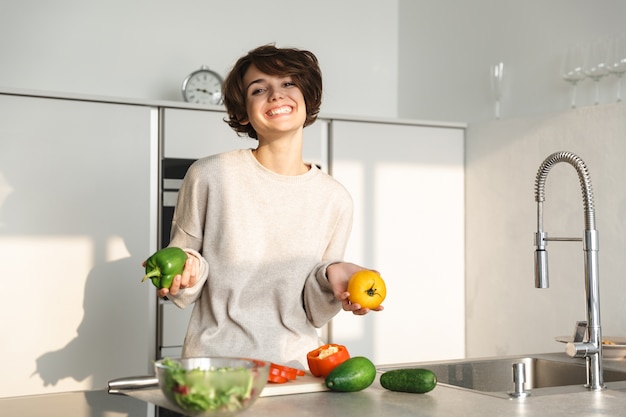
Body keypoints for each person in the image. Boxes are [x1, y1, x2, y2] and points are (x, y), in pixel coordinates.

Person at [157, 44, 383, 368]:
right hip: (216, 366)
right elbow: (184, 266)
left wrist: (333, 274)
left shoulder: (335, 199)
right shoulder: (208, 176)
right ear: (243, 112)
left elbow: (315, 311)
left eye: (288, 83)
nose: (276, 95)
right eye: (259, 89)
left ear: (307, 97)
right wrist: (184, 270)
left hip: (296, 368)